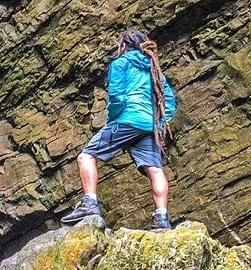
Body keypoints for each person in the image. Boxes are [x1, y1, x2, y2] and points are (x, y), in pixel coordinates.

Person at [61, 28, 176, 231]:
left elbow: (117, 96)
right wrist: (157, 123)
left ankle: (89, 203)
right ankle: (162, 218)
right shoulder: (154, 68)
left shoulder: (120, 63)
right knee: (155, 169)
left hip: (125, 120)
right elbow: (169, 101)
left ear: (124, 46)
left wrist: (115, 118)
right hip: (149, 126)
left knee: (86, 156)